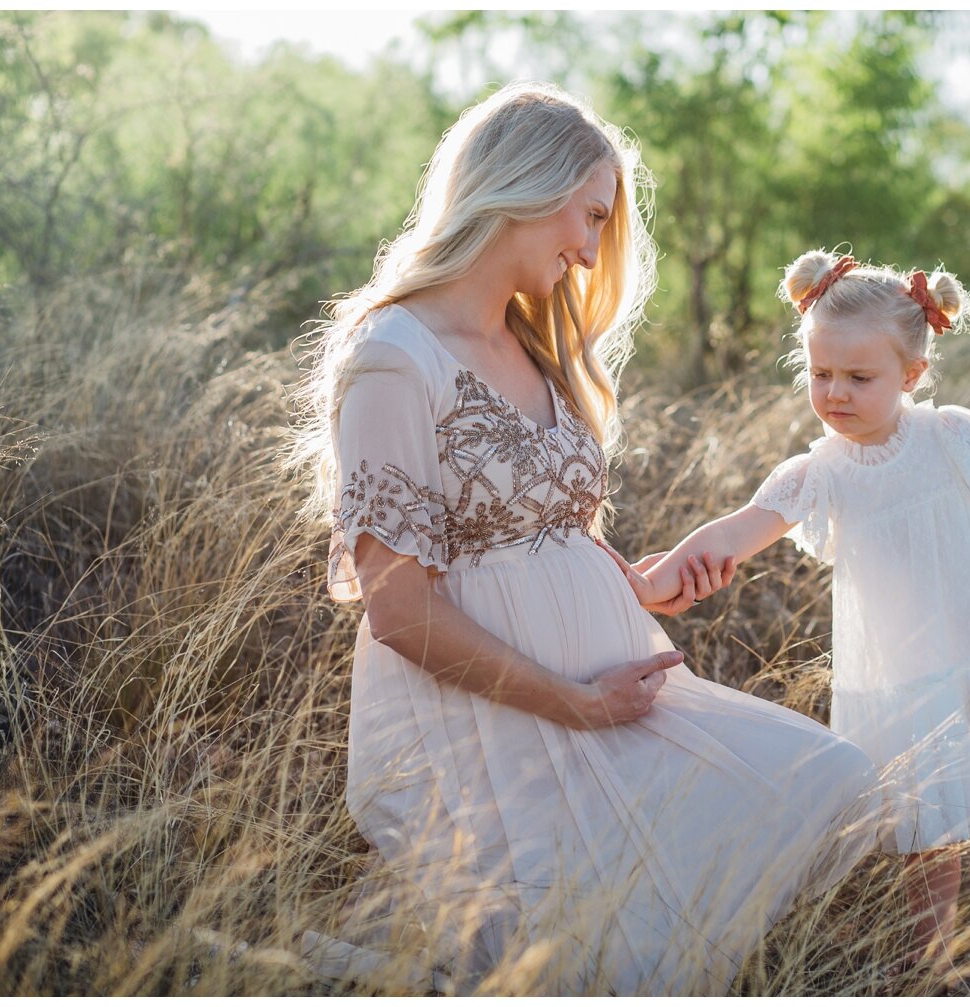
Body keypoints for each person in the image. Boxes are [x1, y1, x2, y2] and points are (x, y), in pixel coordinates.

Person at [291, 86, 880, 995]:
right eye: (592, 214)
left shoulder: (537, 347)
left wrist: (637, 585)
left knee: (824, 779)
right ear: (524, 184)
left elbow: (551, 533)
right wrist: (576, 703)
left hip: (611, 687)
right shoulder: (395, 355)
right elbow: (399, 609)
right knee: (608, 963)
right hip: (492, 718)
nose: (594, 248)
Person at [615, 249, 970, 992]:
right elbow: (734, 530)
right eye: (820, 374)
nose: (836, 393)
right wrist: (654, 577)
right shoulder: (818, 472)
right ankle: (930, 967)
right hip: (907, 676)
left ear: (911, 375)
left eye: (859, 378)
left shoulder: (950, 436)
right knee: (931, 834)